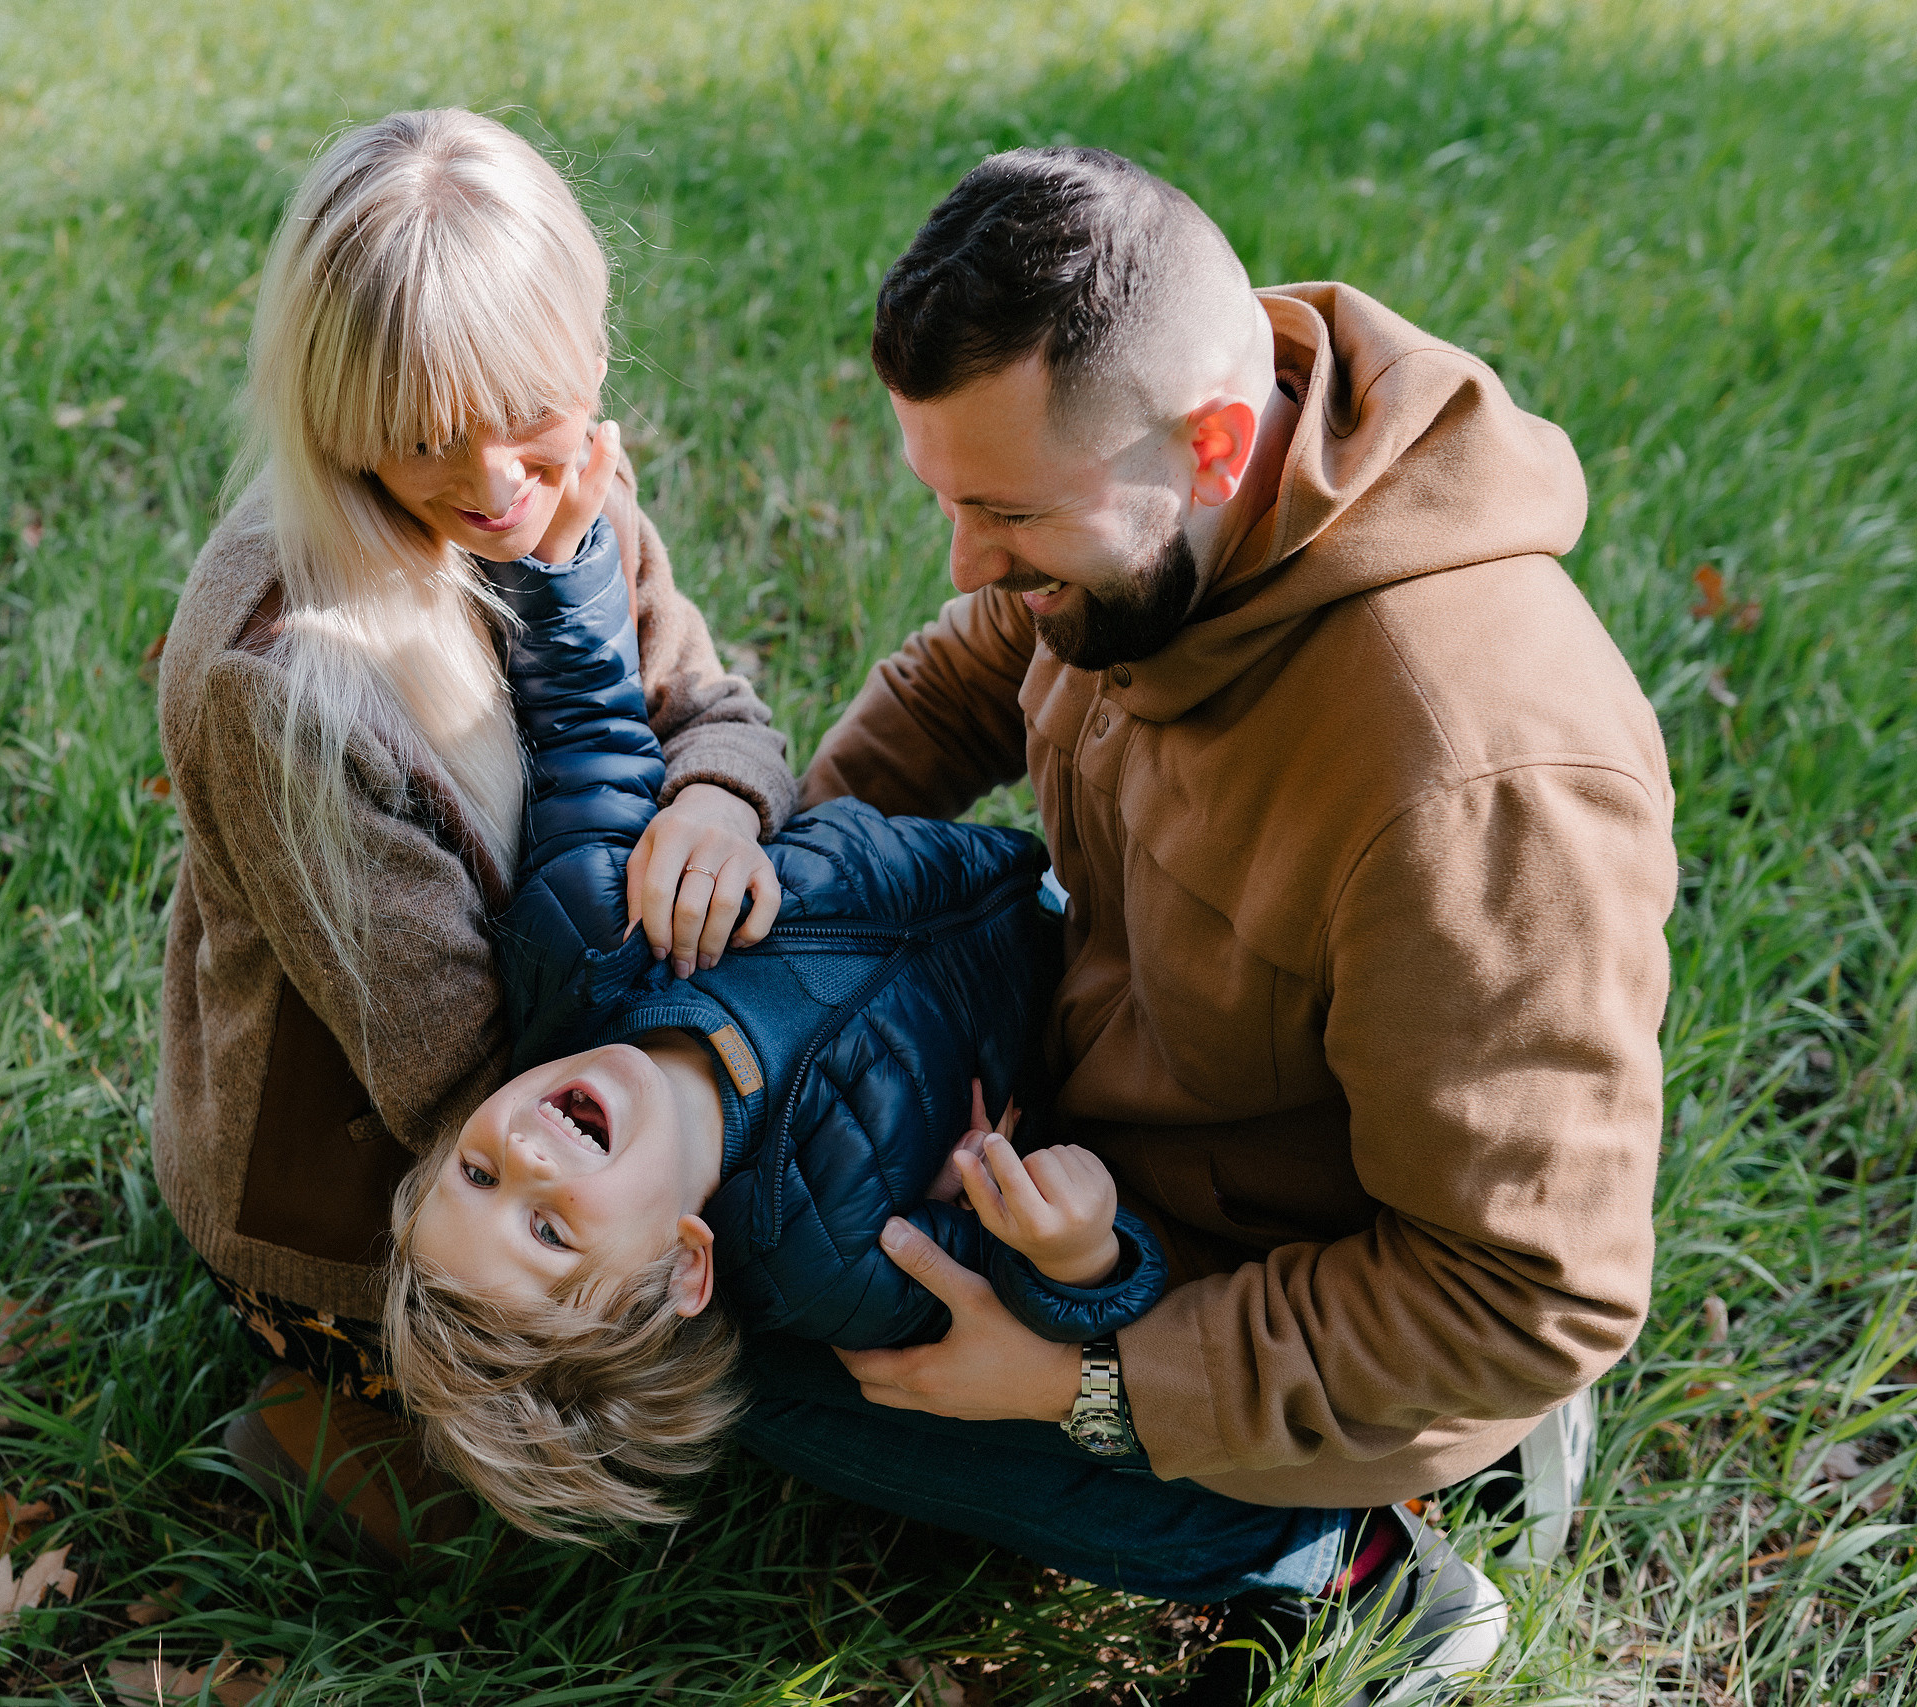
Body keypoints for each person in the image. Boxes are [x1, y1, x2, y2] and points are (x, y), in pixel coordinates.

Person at [745, 147, 1677, 1705]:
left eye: (1008, 516)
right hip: (1089, 1158)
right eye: (947, 502)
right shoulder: (1153, 534)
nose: (969, 565)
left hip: (1265, 1284)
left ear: (1215, 443)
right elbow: (965, 668)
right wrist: (787, 897)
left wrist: (1086, 1386)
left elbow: (1526, 1288)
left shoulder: (1475, 778)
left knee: (728, 1368)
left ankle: (1351, 1563)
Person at [150, 109, 797, 1567]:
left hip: (592, 1040)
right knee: (626, 1413)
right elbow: (451, 1074)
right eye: (426, 435)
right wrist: (717, 1107)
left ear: (590, 352)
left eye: (527, 410)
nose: (498, 478)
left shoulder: (565, 483)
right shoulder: (291, 676)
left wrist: (716, 799)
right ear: (334, 412)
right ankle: (342, 1409)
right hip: (383, 1179)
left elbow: (709, 698)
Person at [380, 512, 1170, 1540]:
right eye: (549, 1228)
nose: (523, 1152)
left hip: (957, 847)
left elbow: (587, 734)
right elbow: (1006, 1292)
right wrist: (1072, 1253)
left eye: (475, 1176)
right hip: (1088, 987)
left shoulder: (588, 934)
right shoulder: (841, 1263)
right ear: (685, 1266)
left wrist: (559, 553)